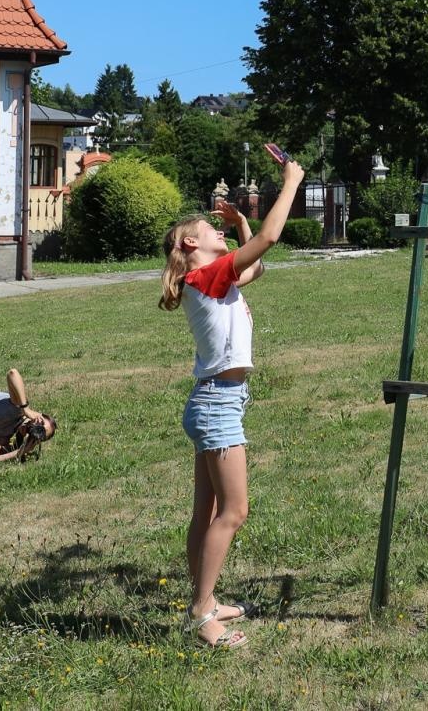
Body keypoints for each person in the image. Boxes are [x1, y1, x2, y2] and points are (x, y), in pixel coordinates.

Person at [159, 156, 305, 650]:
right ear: (189, 244)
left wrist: (242, 224)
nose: (218, 231)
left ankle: (203, 599)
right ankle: (202, 613)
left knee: (208, 511)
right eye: (211, 229)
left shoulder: (213, 278)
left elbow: (255, 266)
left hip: (216, 400)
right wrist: (290, 184)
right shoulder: (206, 278)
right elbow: (267, 244)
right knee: (234, 511)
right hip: (217, 405)